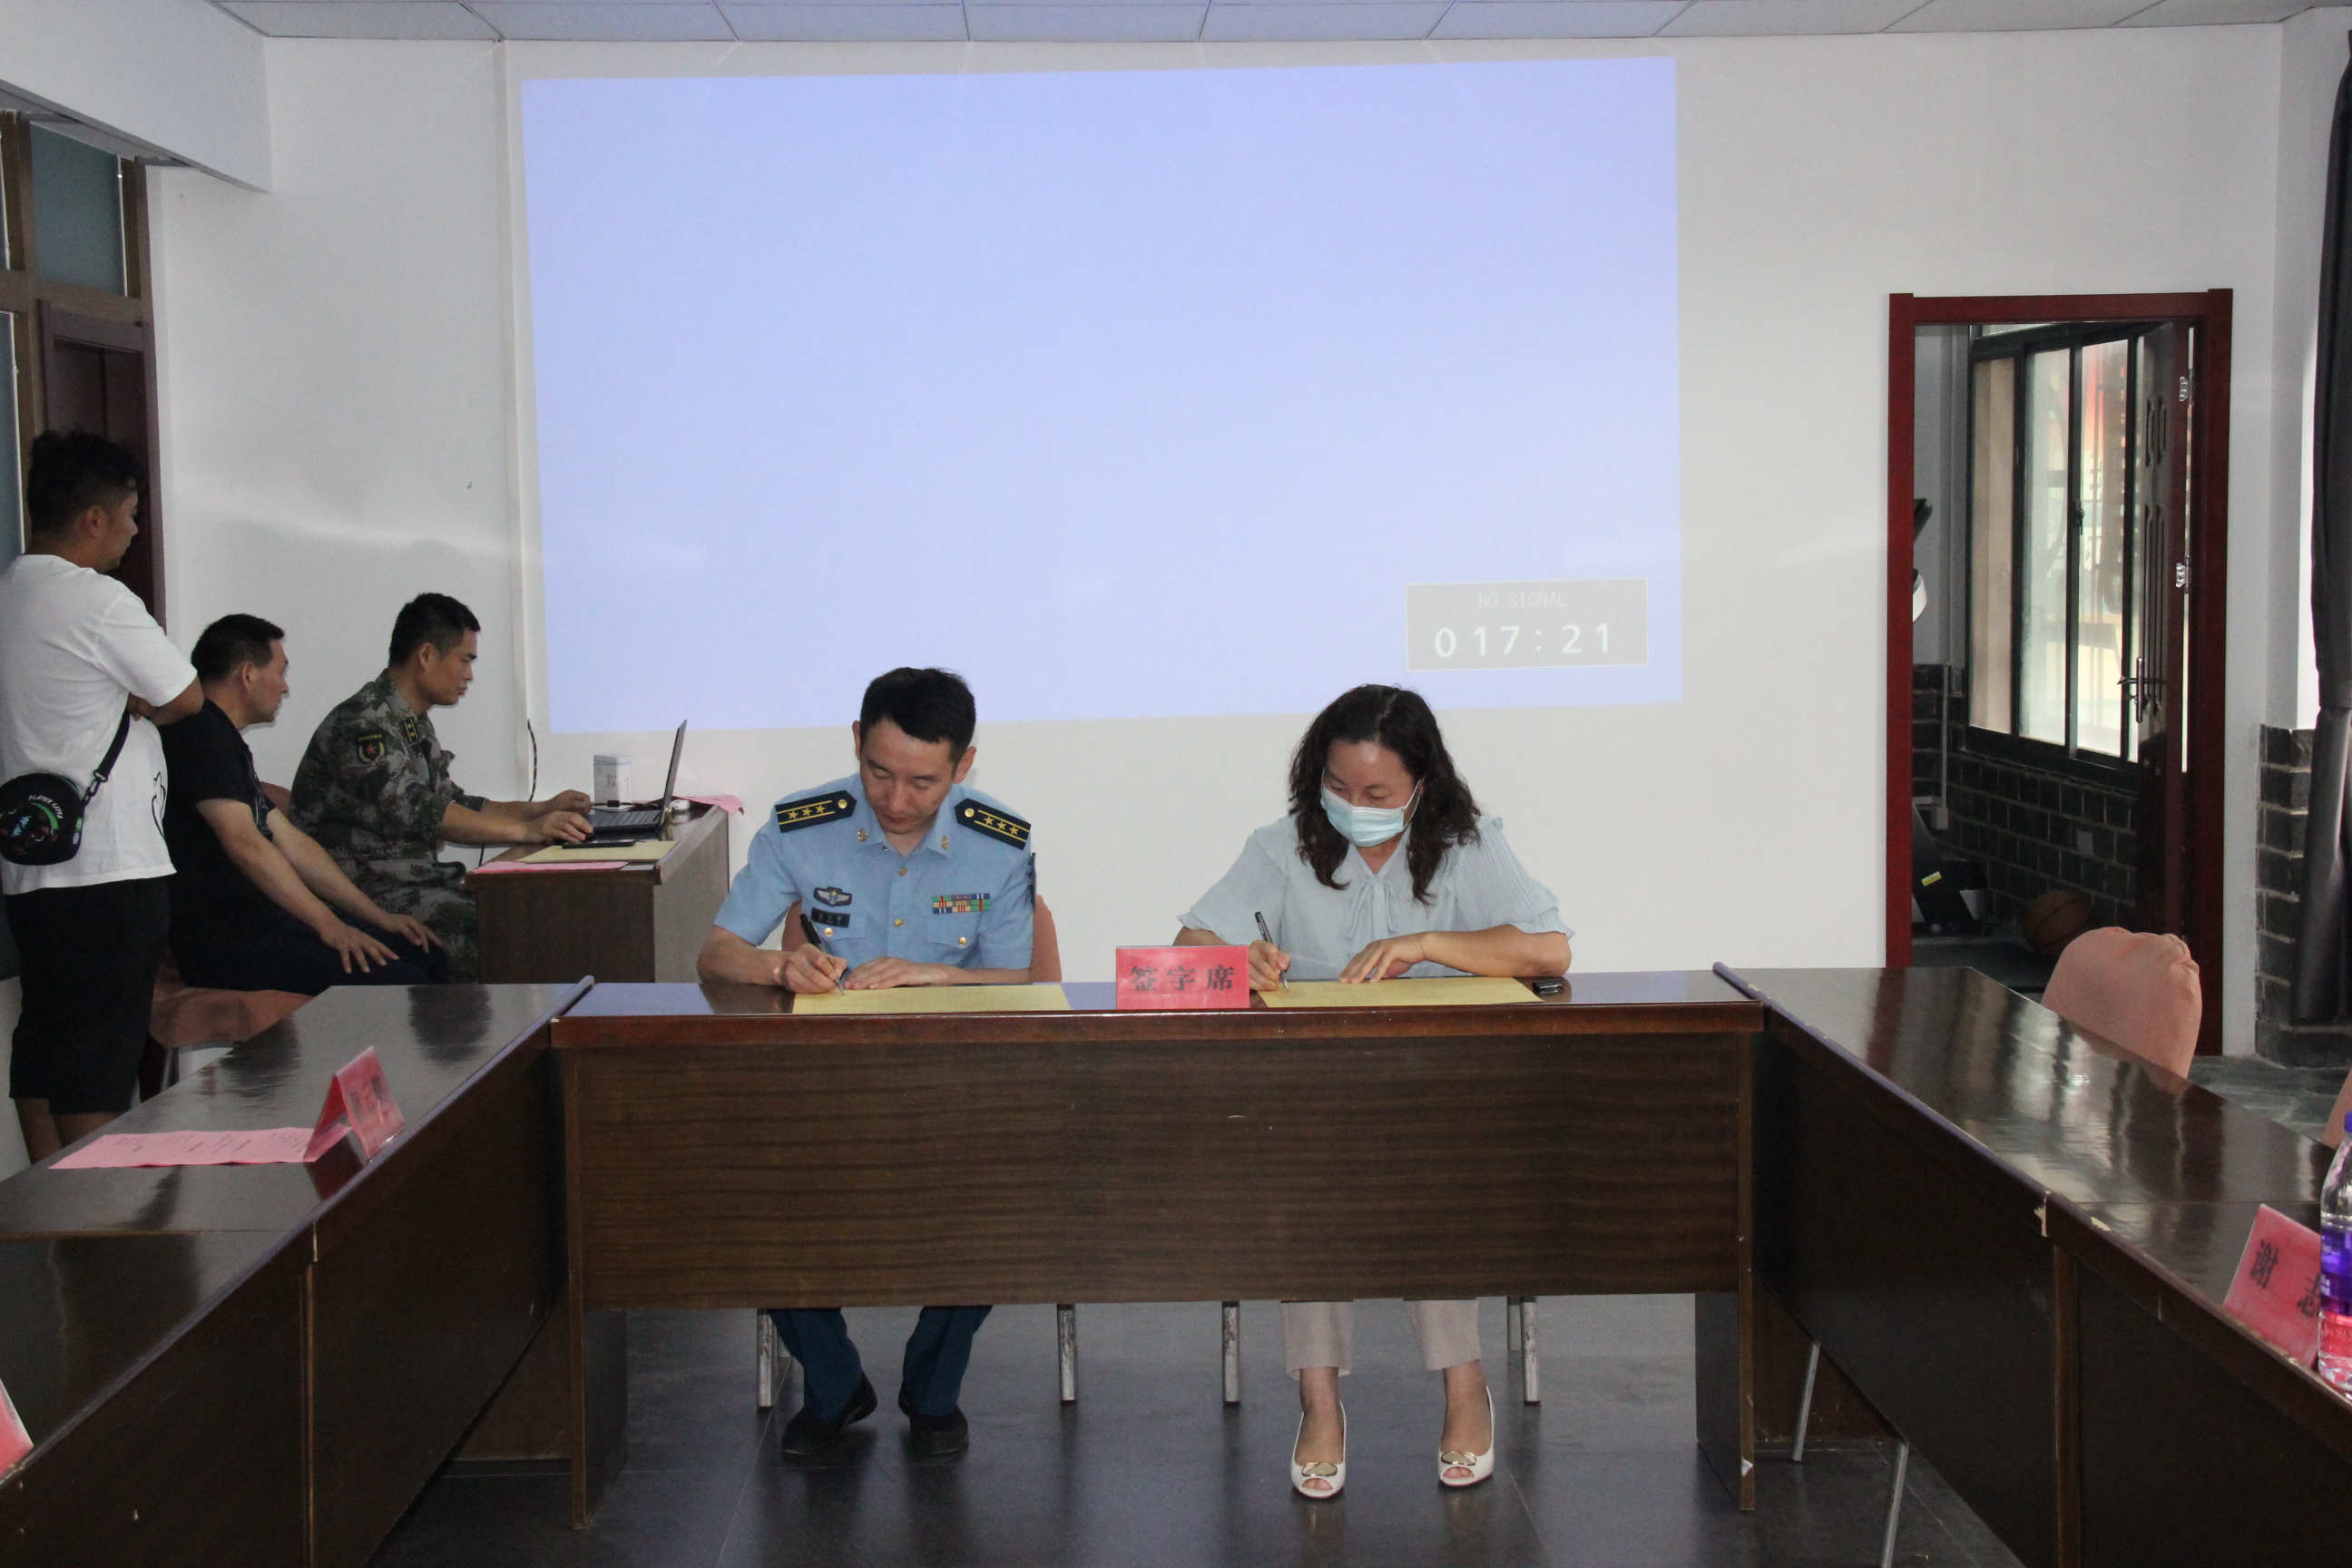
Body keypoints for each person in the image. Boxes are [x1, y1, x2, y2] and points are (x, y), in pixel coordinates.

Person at [1173, 683, 1572, 1497]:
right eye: (1338, 787)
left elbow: (1548, 950)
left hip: (1438, 1087)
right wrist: (1235, 960)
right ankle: (1320, 1403)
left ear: (1421, 786)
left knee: (1429, 1175)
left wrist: (1428, 943)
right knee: (1305, 1183)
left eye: (1378, 793)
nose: (1355, 806)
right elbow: (1185, 948)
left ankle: (1465, 1389)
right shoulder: (1283, 846)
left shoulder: (1466, 843)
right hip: (1316, 1089)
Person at [698, 667, 1034, 1458]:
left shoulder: (999, 841)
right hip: (825, 1085)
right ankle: (833, 1383)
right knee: (753, 1194)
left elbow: (1018, 980)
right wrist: (778, 966)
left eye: (923, 782)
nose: (897, 799)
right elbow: (716, 952)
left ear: (963, 765)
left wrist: (938, 975)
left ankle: (934, 1389)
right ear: (856, 742)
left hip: (952, 1085)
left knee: (1000, 1201)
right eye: (879, 773)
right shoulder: (801, 826)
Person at [0, 432, 201, 1161]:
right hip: (108, 867)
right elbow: (185, 695)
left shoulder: (11, 591)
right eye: (130, 515)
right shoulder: (96, 599)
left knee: (47, 1041)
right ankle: (100, 1218)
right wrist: (141, 701)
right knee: (98, 1061)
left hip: (33, 866)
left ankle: (46, 1207)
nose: (134, 531)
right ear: (93, 519)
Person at [289, 593, 592, 982]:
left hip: (405, 883)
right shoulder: (363, 726)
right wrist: (525, 831)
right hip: (363, 893)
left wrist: (540, 810)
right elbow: (422, 811)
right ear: (427, 656)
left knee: (529, 909)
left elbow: (452, 802)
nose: (469, 675)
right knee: (500, 930)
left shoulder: (410, 721)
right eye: (465, 660)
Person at [162, 614, 446, 994]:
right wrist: (330, 926)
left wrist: (378, 917)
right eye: (280, 672)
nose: (285, 687)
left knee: (424, 952)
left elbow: (291, 842)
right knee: (402, 984)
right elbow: (245, 844)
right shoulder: (200, 736)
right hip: (231, 944)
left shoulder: (222, 737)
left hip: (266, 925)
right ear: (248, 675)